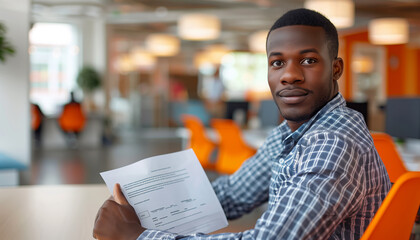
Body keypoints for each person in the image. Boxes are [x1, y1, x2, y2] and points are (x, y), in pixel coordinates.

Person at [93, 8, 391, 240]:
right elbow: (232, 195)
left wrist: (136, 235)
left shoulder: (333, 142)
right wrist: (143, 207)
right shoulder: (293, 133)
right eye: (277, 63)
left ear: (336, 69)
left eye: (308, 60)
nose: (289, 75)